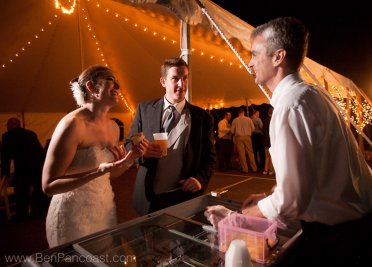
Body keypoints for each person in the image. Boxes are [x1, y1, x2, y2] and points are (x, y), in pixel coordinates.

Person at [239, 17, 372, 266]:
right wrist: (269, 195)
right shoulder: (312, 94)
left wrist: (247, 215)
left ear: (278, 57)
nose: (250, 62)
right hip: (361, 232)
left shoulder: (290, 106)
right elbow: (317, 177)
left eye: (254, 54)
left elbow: (292, 201)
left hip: (344, 244)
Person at [43, 65, 146, 247]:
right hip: (73, 214)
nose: (117, 87)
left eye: (118, 83)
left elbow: (110, 174)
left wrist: (129, 160)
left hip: (104, 208)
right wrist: (97, 171)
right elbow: (49, 185)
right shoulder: (72, 125)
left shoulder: (114, 128)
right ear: (91, 87)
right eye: (111, 81)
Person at [125, 57, 216, 215]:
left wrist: (199, 180)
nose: (182, 84)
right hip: (148, 196)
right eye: (175, 78)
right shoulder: (144, 109)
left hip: (183, 195)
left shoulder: (202, 117)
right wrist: (141, 152)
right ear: (163, 81)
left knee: (181, 239)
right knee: (148, 238)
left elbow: (210, 157)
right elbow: (128, 144)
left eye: (185, 78)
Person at [1, 117, 48, 221]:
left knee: (21, 191)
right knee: (38, 190)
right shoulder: (31, 133)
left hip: (22, 168)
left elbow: (5, 156)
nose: (7, 127)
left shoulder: (7, 136)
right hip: (37, 166)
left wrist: (5, 172)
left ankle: (22, 215)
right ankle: (40, 212)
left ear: (11, 125)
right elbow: (40, 152)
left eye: (7, 125)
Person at [230, 108, 257, 173]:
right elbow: (253, 129)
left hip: (239, 137)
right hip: (247, 137)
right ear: (243, 112)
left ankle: (245, 169)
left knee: (241, 154)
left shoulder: (235, 120)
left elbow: (232, 131)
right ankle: (254, 168)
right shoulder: (249, 119)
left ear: (238, 113)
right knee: (250, 153)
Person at [262, 106, 274, 175]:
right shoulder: (273, 120)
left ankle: (265, 170)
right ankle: (271, 170)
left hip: (266, 141)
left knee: (267, 157)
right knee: (272, 157)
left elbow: (263, 131)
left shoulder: (265, 120)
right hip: (272, 141)